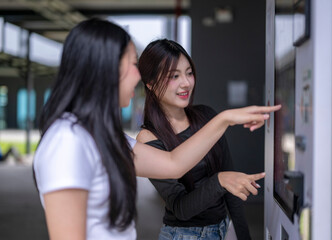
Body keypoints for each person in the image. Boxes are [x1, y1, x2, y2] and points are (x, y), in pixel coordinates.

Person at [33, 18, 281, 240]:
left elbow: (173, 163)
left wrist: (224, 119)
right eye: (133, 64)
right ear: (105, 67)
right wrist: (220, 165)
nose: (138, 76)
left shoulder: (103, 136)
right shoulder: (67, 140)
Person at [136, 39, 265, 240]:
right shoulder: (148, 138)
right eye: (174, 76)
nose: (186, 83)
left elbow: (231, 185)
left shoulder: (206, 116)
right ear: (151, 84)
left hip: (221, 230)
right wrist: (220, 181)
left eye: (189, 73)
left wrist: (244, 236)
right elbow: (180, 208)